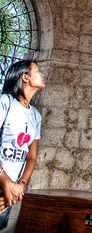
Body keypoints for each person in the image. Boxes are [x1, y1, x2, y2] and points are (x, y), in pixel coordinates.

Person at [0, 60, 46, 230]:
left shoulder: (35, 115)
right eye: (37, 71)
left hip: (11, 192)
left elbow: (31, 156)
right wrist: (5, 181)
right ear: (25, 77)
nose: (42, 75)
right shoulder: (6, 102)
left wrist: (21, 185)